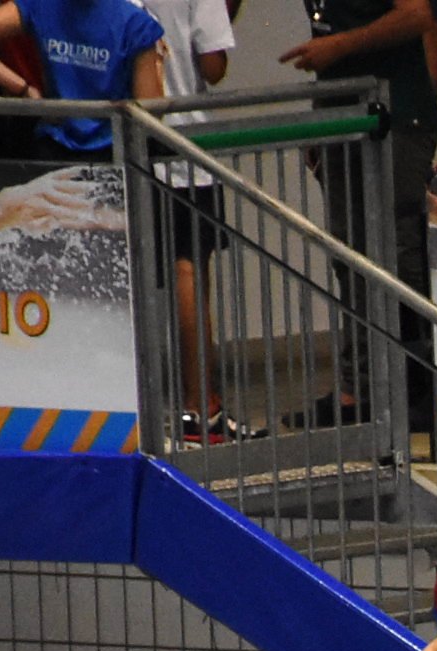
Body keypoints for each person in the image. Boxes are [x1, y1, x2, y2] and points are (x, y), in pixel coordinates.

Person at [280, 0, 437, 422]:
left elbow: (420, 16)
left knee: (397, 253)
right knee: (349, 255)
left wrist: (340, 47)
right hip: (342, 113)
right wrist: (320, 119)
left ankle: (419, 386)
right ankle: (357, 389)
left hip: (395, 116)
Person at [136, 0, 248, 442]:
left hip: (115, 146)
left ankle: (122, 409)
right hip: (183, 145)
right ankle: (200, 406)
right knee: (189, 268)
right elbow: (214, 64)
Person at [0, 0, 164, 156]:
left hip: (60, 148)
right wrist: (22, 88)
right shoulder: (136, 23)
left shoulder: (41, 6)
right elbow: (150, 113)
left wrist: (22, 89)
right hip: (113, 153)